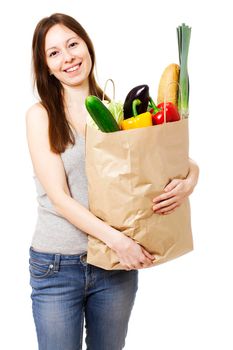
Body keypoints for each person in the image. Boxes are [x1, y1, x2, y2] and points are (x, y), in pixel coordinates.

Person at [26, 13, 199, 350]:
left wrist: (192, 177)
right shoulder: (41, 115)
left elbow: (161, 158)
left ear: (87, 46)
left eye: (73, 44)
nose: (68, 57)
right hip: (58, 265)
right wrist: (120, 242)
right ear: (46, 66)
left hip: (114, 267)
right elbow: (59, 198)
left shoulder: (116, 109)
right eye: (54, 53)